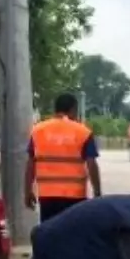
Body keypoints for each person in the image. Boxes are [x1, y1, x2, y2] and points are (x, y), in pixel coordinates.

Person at [25, 93, 102, 222]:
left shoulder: (38, 130)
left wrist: (27, 191)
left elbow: (30, 163)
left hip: (47, 195)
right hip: (75, 195)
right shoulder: (83, 131)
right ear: (73, 109)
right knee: (72, 233)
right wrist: (97, 192)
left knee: (51, 232)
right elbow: (91, 164)